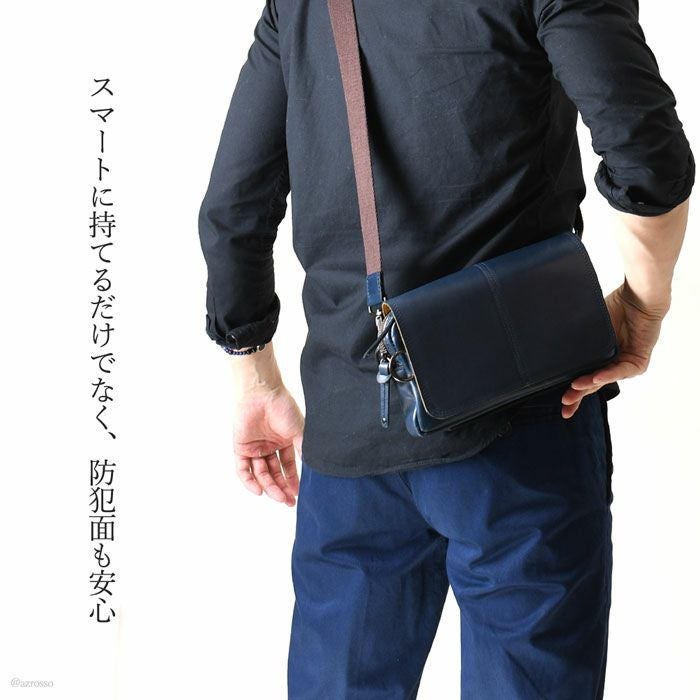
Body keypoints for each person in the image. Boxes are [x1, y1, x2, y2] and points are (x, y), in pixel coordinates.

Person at [197, 0, 694, 697]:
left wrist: (255, 379)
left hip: (350, 436)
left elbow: (232, 211)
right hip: (520, 422)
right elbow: (647, 156)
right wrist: (643, 304)